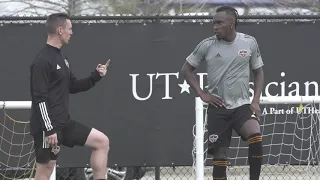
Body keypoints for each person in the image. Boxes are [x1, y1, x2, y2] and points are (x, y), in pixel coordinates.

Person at [181, 6, 264, 180]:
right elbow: (187, 69)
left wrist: (255, 101)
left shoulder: (249, 42)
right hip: (218, 108)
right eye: (213, 23)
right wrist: (202, 94)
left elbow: (259, 72)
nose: (215, 27)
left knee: (255, 135)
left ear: (232, 24)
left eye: (219, 23)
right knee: (220, 157)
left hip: (242, 106)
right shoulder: (207, 45)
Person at [29, 13, 110, 180]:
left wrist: (96, 76)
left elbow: (72, 86)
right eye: (70, 29)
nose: (71, 32)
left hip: (64, 123)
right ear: (60, 30)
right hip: (47, 128)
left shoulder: (62, 57)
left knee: (102, 142)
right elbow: (40, 98)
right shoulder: (42, 61)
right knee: (47, 168)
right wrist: (49, 129)